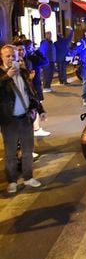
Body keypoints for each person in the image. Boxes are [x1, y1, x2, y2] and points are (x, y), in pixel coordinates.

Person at [0, 44, 46, 194]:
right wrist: (8, 77)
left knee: (27, 151)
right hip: (9, 120)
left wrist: (40, 110)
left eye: (13, 55)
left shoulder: (23, 72)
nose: (11, 58)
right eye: (8, 56)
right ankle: (12, 181)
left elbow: (31, 93)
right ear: (2, 57)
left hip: (25, 118)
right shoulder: (2, 75)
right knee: (10, 153)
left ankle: (28, 177)